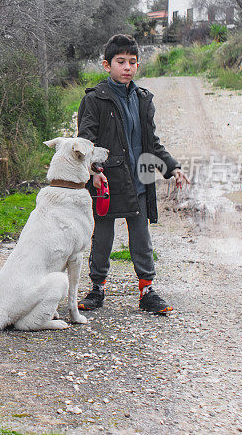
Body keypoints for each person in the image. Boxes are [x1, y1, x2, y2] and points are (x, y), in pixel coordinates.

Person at [76, 34, 190, 314]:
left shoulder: (142, 99)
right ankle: (97, 288)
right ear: (107, 65)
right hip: (108, 183)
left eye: (132, 62)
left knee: (142, 238)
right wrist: (94, 171)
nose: (127, 67)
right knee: (102, 238)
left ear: (137, 66)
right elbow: (85, 140)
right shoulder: (95, 100)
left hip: (139, 181)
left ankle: (147, 291)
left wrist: (172, 167)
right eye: (120, 61)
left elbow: (151, 142)